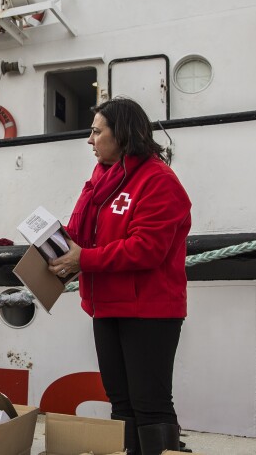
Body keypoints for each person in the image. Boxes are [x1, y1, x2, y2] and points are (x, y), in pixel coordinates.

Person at [47, 98, 191, 455]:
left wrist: (85, 259)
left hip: (150, 311)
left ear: (122, 134)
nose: (89, 140)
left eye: (96, 131)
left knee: (151, 403)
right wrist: (51, 245)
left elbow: (147, 248)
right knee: (121, 403)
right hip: (108, 307)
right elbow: (81, 233)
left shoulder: (159, 181)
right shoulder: (100, 179)